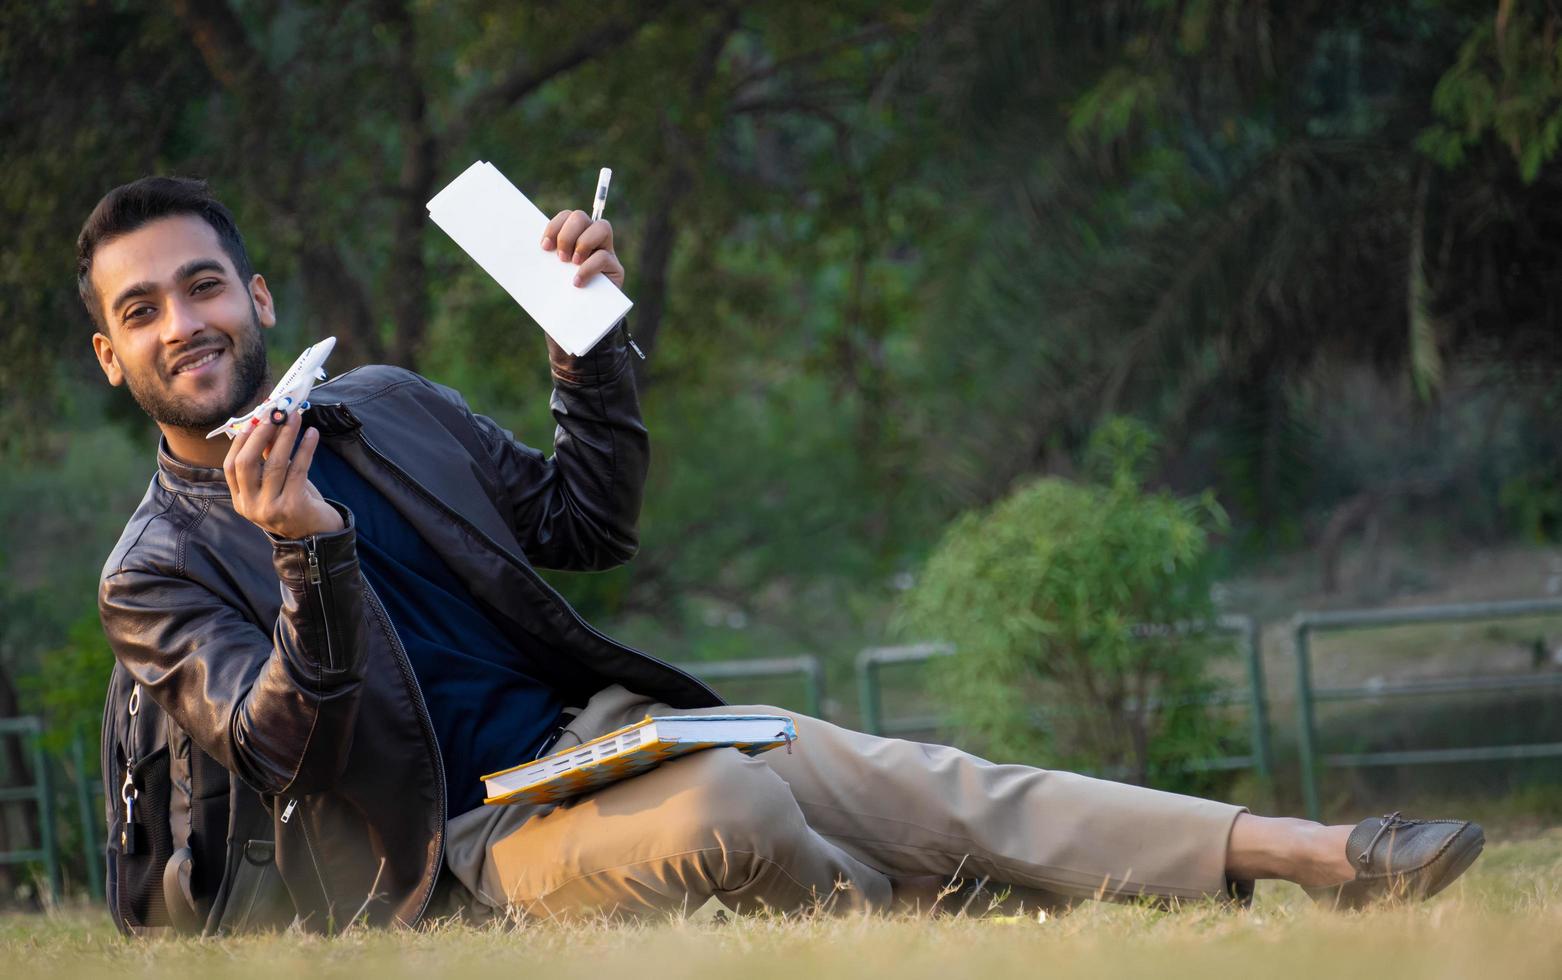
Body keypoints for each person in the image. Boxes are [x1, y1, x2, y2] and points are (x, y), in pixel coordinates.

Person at [83, 176, 1483, 933]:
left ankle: (1325, 851)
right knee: (738, 817)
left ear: (256, 294)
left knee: (916, 772)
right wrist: (303, 557)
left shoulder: (377, 404)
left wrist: (586, 351)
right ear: (112, 355)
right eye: (143, 310)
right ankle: (936, 893)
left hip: (592, 742)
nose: (183, 323)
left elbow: (586, 528)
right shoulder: (152, 569)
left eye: (203, 284)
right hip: (455, 849)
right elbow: (280, 751)